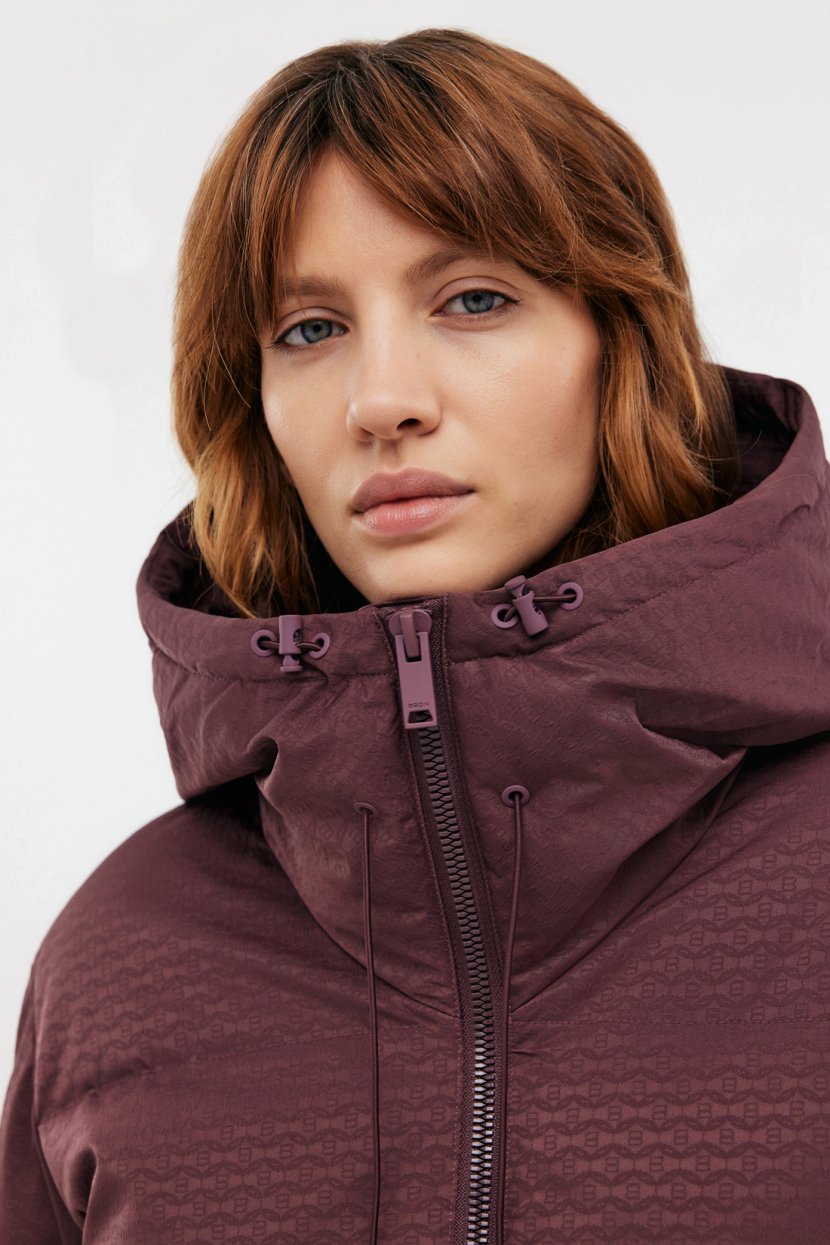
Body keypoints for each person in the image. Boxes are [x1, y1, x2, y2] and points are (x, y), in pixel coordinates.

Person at [1, 25, 828, 1244]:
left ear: (621, 342)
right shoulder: (123, 960)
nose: (380, 400)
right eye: (306, 329)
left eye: (473, 300)